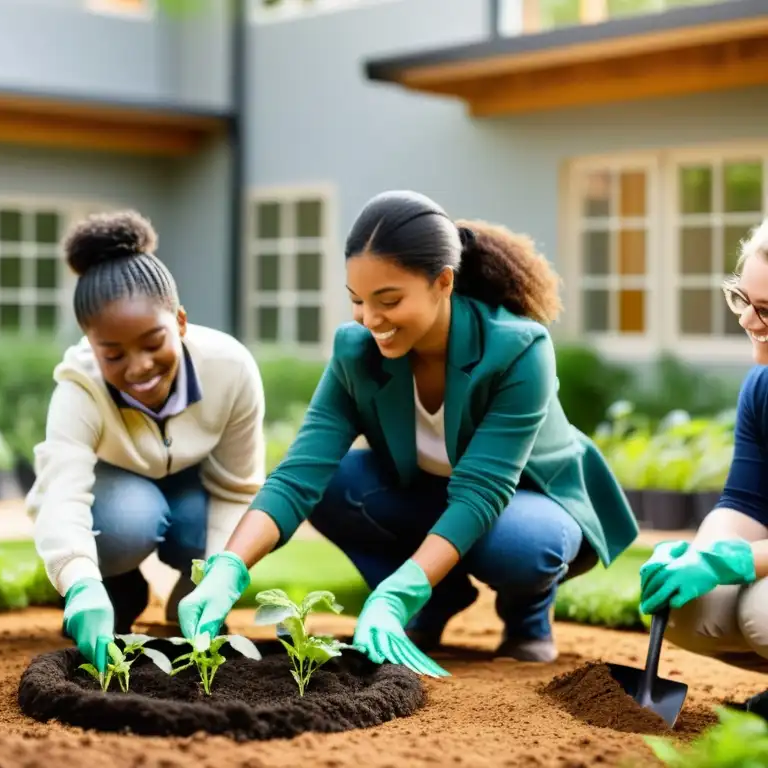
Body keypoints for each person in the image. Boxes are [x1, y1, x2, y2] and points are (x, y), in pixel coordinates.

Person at [178, 190, 639, 674]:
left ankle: (525, 617)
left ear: (443, 282)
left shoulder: (518, 349)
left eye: (389, 300)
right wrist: (227, 570)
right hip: (423, 492)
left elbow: (482, 492)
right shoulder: (356, 352)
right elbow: (298, 476)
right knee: (334, 487)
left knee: (522, 547)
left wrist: (397, 594)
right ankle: (434, 603)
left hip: (532, 500)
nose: (371, 320)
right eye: (357, 300)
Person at [27, 210, 266, 676]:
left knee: (208, 525)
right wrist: (79, 583)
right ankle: (119, 588)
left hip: (195, 493)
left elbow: (239, 489)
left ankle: (187, 596)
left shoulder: (230, 368)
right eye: (113, 354)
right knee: (131, 518)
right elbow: (62, 495)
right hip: (117, 499)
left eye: (152, 342)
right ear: (92, 345)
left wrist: (216, 578)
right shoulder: (79, 388)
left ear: (179, 321)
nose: (137, 367)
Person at [639, 218, 768, 674]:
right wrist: (703, 551)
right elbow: (745, 501)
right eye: (743, 301)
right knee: (690, 608)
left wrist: (733, 560)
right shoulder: (763, 387)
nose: (749, 321)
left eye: (767, 310)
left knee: (764, 613)